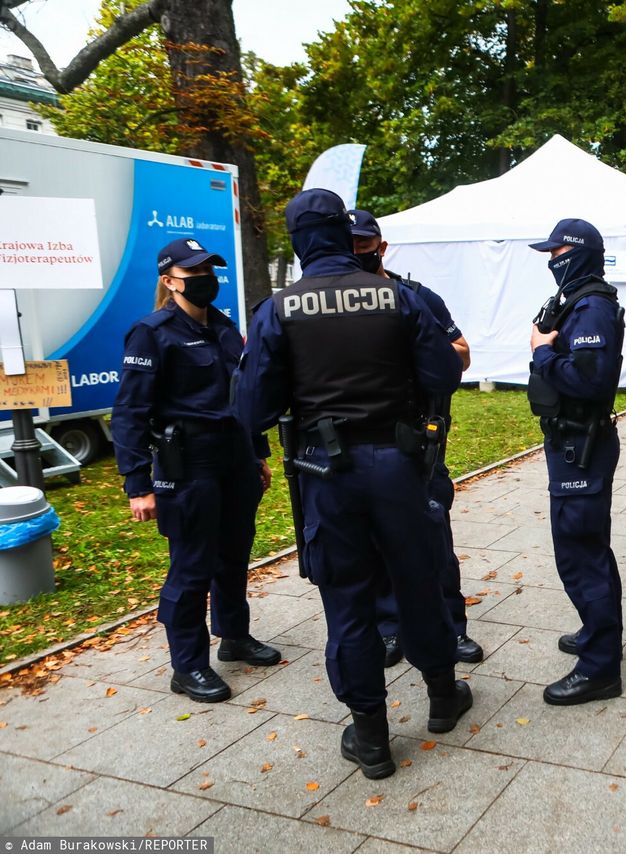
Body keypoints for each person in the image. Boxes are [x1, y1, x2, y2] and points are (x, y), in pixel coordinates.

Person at [234, 188, 469, 780]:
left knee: (347, 601)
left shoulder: (279, 310)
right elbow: (444, 372)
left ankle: (371, 738)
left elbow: (252, 409)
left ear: (297, 241)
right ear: (344, 233)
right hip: (396, 463)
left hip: (326, 472)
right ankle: (442, 696)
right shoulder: (399, 297)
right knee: (416, 580)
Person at [112, 238, 281, 704]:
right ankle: (187, 665)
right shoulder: (152, 332)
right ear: (169, 280)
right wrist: (137, 484)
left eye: (210, 271)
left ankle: (234, 636)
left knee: (233, 554)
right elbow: (129, 413)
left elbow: (242, 397)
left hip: (233, 460)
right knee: (191, 567)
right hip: (188, 465)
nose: (207, 279)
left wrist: (257, 454)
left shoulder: (225, 328)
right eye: (195, 272)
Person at [347, 209, 484, 668]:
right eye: (347, 246)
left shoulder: (417, 297)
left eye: (363, 245)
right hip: (360, 443)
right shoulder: (334, 306)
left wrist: (418, 352)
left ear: (381, 247)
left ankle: (452, 627)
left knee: (433, 535)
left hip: (418, 445)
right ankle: (390, 630)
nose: (355, 253)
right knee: (375, 543)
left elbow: (461, 353)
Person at [528, 218, 626, 705]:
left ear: (579, 252)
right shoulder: (578, 301)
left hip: (581, 446)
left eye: (557, 252)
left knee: (580, 553)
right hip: (572, 442)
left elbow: (588, 379)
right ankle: (598, 634)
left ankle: (600, 668)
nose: (550, 261)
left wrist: (542, 354)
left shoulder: (591, 308)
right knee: (588, 548)